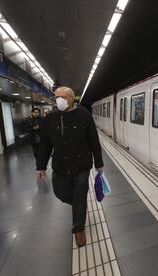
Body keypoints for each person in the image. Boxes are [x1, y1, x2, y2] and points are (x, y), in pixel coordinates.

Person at [36, 86, 104, 247]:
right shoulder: (50, 118)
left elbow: (94, 140)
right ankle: (78, 206)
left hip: (81, 165)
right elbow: (45, 144)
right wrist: (41, 166)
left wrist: (99, 163)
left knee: (80, 196)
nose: (57, 99)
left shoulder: (84, 115)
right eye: (56, 97)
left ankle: (78, 230)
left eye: (61, 97)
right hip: (60, 164)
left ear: (71, 99)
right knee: (60, 192)